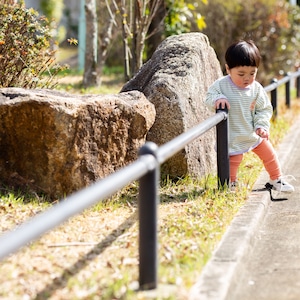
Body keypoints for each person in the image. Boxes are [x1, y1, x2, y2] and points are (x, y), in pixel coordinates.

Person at [205, 40, 294, 192]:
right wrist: (218, 99)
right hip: (233, 136)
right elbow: (208, 98)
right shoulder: (221, 85)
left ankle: (276, 179)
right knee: (233, 162)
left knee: (270, 154)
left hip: (252, 133)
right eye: (241, 74)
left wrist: (261, 125)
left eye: (252, 73)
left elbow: (264, 109)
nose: (247, 78)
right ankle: (230, 186)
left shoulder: (256, 89)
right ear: (228, 69)